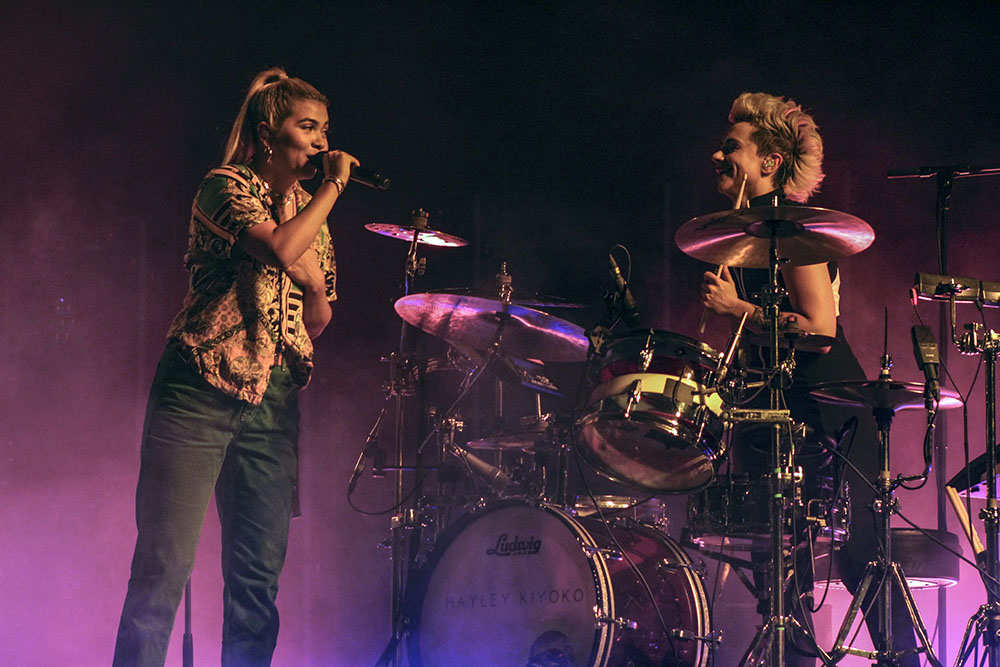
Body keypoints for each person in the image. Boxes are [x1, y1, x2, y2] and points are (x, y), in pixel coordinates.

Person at [112, 68, 358, 666]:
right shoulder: (224, 187)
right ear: (268, 133)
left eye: (325, 130)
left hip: (272, 403)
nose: (322, 144)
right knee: (163, 569)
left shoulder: (310, 215)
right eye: (308, 128)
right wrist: (333, 192)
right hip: (199, 388)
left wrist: (318, 290)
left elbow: (314, 320)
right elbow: (276, 248)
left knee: (257, 583)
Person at [700, 92, 921, 666]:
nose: (717, 156)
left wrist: (739, 311)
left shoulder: (792, 233)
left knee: (861, 555)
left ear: (770, 161)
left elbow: (820, 330)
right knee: (777, 560)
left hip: (834, 413)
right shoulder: (742, 238)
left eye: (732, 148)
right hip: (779, 414)